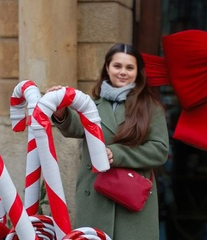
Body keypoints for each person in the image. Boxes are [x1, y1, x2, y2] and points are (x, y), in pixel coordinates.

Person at [47, 43, 169, 240]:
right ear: (107, 68)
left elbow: (159, 150)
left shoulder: (150, 108)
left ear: (138, 72)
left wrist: (117, 154)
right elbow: (74, 127)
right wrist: (60, 110)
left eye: (129, 68)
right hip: (95, 199)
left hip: (131, 204)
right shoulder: (89, 104)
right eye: (117, 66)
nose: (123, 72)